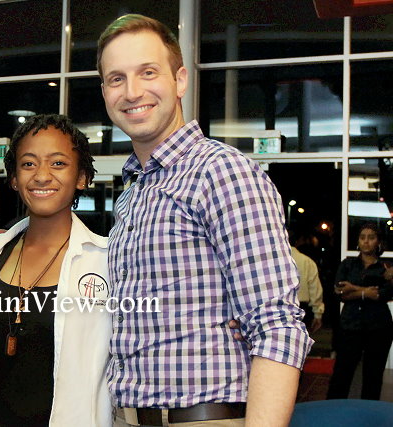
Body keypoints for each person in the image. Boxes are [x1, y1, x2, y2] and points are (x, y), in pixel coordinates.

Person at [97, 14, 313, 426]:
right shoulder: (133, 192)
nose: (133, 91)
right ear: (105, 92)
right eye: (116, 79)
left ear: (180, 80)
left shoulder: (221, 171)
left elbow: (277, 325)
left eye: (148, 72)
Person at [0, 114, 112, 426]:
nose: (41, 175)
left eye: (58, 163)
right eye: (28, 164)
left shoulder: (106, 261)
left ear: (82, 177)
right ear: (14, 178)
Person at [327, 223, 393, 400]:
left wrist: (354, 288)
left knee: (373, 375)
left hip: (379, 326)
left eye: (371, 237)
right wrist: (365, 292)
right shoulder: (348, 264)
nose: (366, 241)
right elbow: (341, 292)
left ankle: (369, 412)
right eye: (362, 237)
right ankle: (333, 409)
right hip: (350, 325)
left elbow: (382, 294)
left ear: (378, 242)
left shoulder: (386, 268)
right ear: (358, 241)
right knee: (342, 372)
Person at [291, 244, 324, 334]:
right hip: (301, 308)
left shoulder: (271, 261)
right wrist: (318, 313)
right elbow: (314, 289)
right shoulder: (306, 261)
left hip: (274, 308)